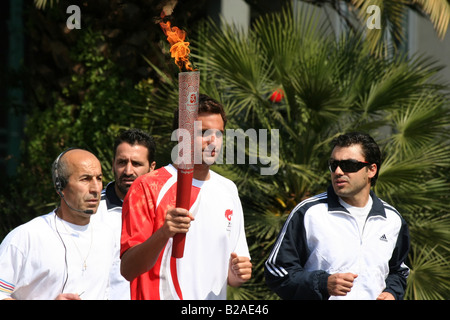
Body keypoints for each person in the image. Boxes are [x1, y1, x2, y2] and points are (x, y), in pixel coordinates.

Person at [120, 94, 252, 300]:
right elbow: (128, 269)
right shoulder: (148, 187)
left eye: (218, 134)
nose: (213, 141)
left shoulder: (228, 190)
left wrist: (238, 273)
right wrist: (164, 233)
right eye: (204, 133)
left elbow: (232, 273)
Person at [264, 132, 410, 300]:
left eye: (348, 165)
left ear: (371, 170)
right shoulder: (309, 213)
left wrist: (391, 293)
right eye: (334, 164)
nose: (338, 171)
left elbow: (399, 271)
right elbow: (276, 271)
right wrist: (322, 283)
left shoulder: (392, 219)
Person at [0, 148, 115, 300]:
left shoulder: (106, 235)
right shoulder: (26, 237)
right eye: (85, 179)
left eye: (99, 178)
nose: (95, 188)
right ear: (60, 187)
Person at [93, 128, 156, 299]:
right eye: (122, 162)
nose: (128, 171)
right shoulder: (92, 212)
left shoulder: (165, 211)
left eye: (136, 164)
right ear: (113, 163)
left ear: (152, 167)